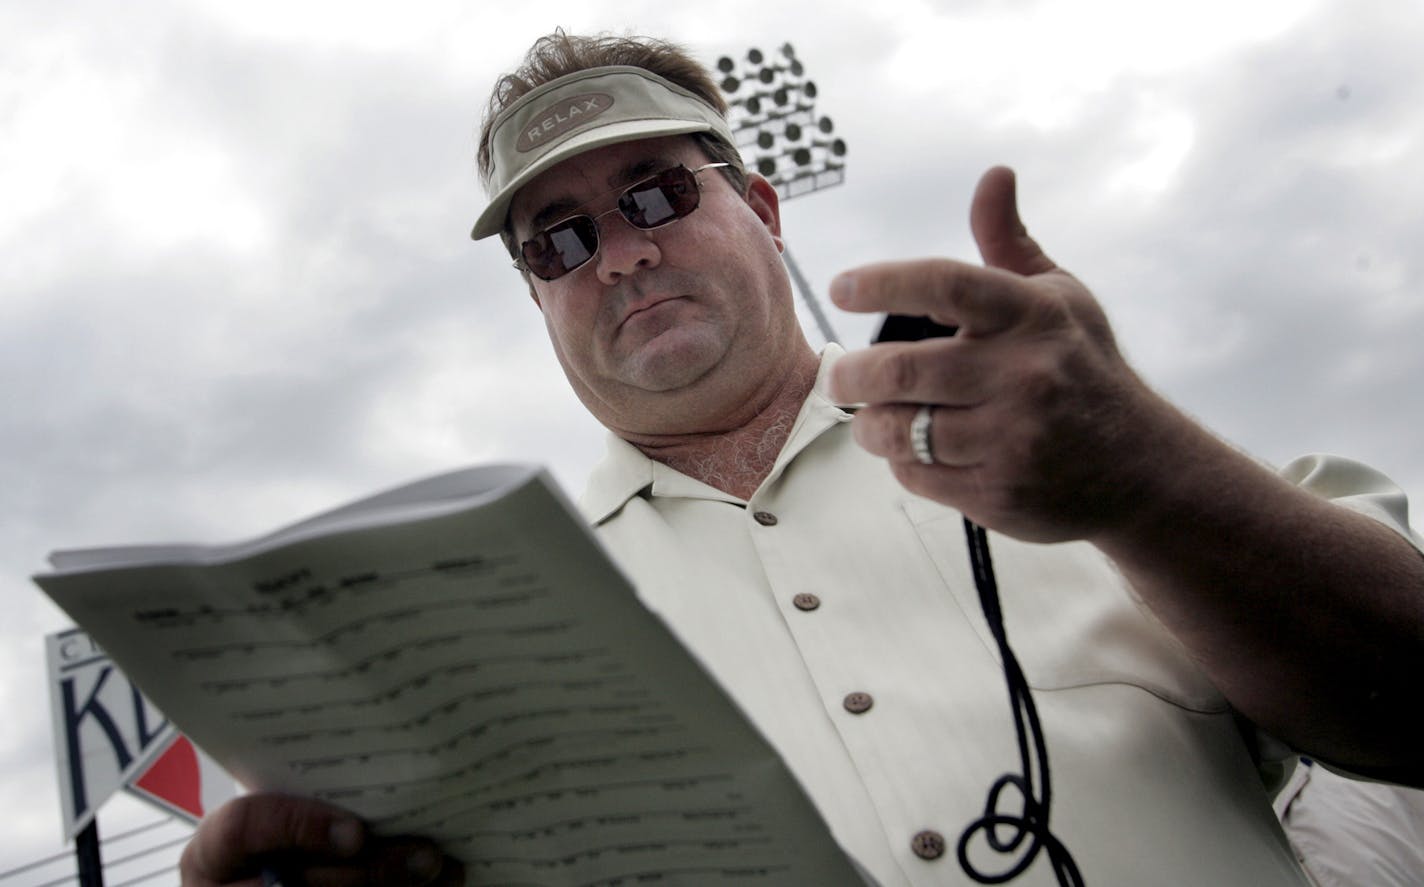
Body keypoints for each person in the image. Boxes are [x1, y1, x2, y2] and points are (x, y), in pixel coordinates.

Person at [180, 31, 1424, 887]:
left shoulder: (1069, 449)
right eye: (556, 239)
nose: (618, 256)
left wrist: (1150, 482)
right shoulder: (471, 649)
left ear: (761, 210)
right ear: (534, 294)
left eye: (655, 195)